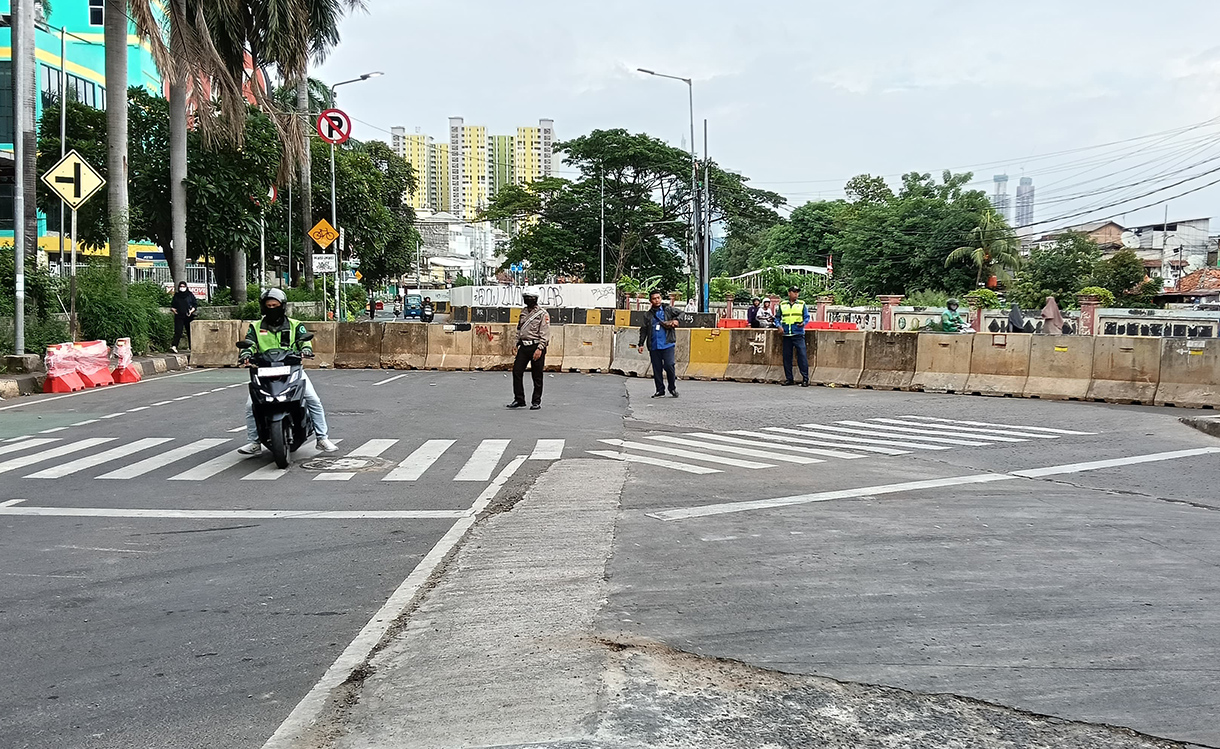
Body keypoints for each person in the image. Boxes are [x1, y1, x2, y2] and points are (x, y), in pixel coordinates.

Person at [237, 289, 338, 454]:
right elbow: (249, 343)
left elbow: (304, 342)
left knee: (313, 399)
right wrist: (246, 353)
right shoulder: (255, 327)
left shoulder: (295, 325)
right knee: (250, 405)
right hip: (264, 370)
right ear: (263, 307)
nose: (272, 308)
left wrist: (305, 350)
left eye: (275, 305)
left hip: (291, 369)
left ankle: (322, 438)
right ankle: (254, 442)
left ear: (282, 306)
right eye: (268, 305)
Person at [507, 288, 550, 410]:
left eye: (530, 298)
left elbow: (545, 333)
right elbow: (519, 329)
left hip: (536, 346)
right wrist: (515, 344)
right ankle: (519, 399)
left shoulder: (542, 314)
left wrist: (540, 348)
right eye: (526, 297)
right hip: (524, 346)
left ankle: (536, 401)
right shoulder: (523, 312)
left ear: (535, 299)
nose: (527, 300)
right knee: (517, 371)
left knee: (537, 375)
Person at [638, 290, 680, 398]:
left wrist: (676, 321)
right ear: (650, 301)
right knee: (657, 369)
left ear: (660, 298)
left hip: (667, 344)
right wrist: (641, 344)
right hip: (654, 345)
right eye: (654, 298)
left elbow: (681, 313)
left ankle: (672, 387)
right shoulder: (647, 315)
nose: (657, 300)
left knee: (669, 365)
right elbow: (643, 329)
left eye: (658, 298)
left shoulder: (668, 310)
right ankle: (660, 390)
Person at [774, 286, 809, 386]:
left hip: (798, 333)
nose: (796, 294)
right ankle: (789, 379)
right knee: (787, 357)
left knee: (802, 356)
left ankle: (805, 379)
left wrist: (803, 323)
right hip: (786, 334)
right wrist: (779, 326)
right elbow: (777, 318)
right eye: (794, 292)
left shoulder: (802, 304)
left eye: (797, 292)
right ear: (789, 293)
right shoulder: (783, 304)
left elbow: (807, 317)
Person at [169, 281, 197, 353]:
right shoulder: (177, 296)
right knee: (178, 331)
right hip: (179, 316)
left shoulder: (190, 295)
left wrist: (191, 311)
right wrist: (174, 310)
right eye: (181, 286)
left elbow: (195, 305)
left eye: (183, 286)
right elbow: (172, 306)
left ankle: (192, 347)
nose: (182, 288)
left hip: (188, 316)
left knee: (190, 332)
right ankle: (174, 346)